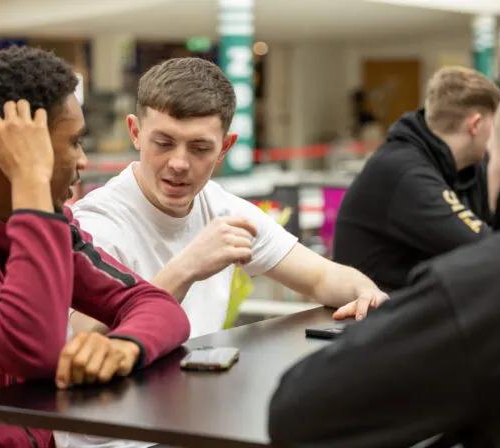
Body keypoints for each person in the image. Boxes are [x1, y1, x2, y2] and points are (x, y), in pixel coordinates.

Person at [61, 57, 387, 448]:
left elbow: (321, 276)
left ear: (224, 148)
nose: (179, 163)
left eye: (199, 148)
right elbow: (80, 337)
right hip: (114, 437)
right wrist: (185, 269)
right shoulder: (97, 220)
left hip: (190, 422)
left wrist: (366, 292)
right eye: (163, 143)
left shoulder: (220, 206)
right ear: (135, 132)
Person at [0, 46, 190, 448]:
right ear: (17, 149)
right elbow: (30, 347)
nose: (83, 159)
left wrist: (125, 346)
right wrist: (32, 183)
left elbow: (156, 305)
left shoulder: (48, 224)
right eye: (73, 141)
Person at [268, 63, 500, 447]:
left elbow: (296, 412)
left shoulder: (489, 281)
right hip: (394, 332)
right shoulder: (403, 170)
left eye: (493, 156)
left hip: (414, 346)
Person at [333, 67, 500, 292]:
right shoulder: (403, 171)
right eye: (496, 124)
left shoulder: (467, 168)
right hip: (375, 317)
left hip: (418, 308)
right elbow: (487, 246)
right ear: (475, 124)